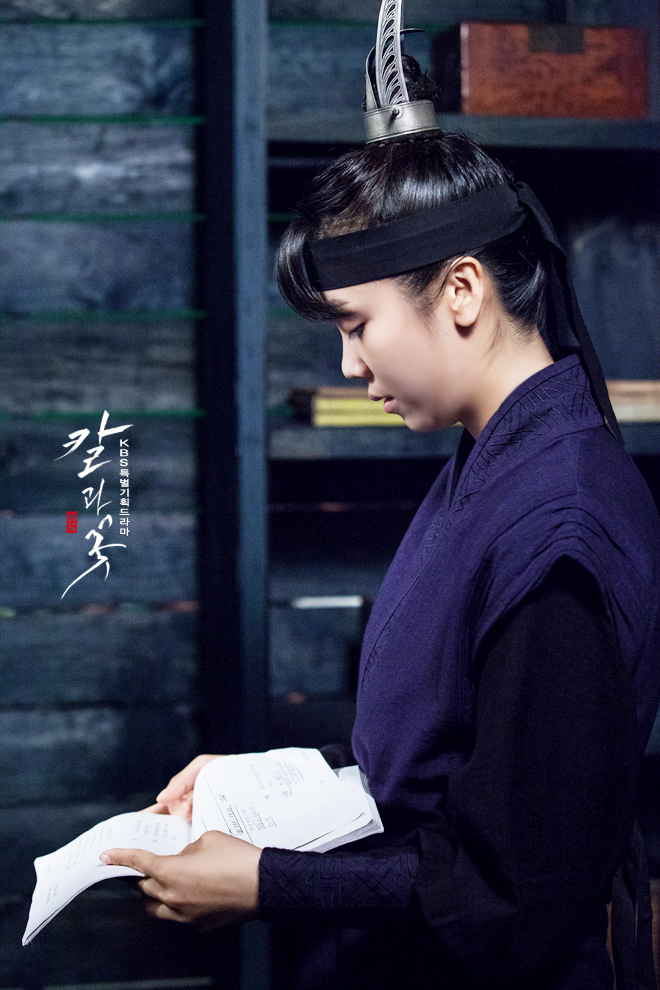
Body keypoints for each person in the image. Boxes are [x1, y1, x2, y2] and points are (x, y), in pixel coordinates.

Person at [100, 6, 660, 988]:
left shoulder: (559, 529)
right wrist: (265, 782)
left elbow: (512, 889)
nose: (349, 365)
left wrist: (263, 882)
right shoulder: (495, 461)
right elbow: (452, 753)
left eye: (357, 325)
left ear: (461, 291)